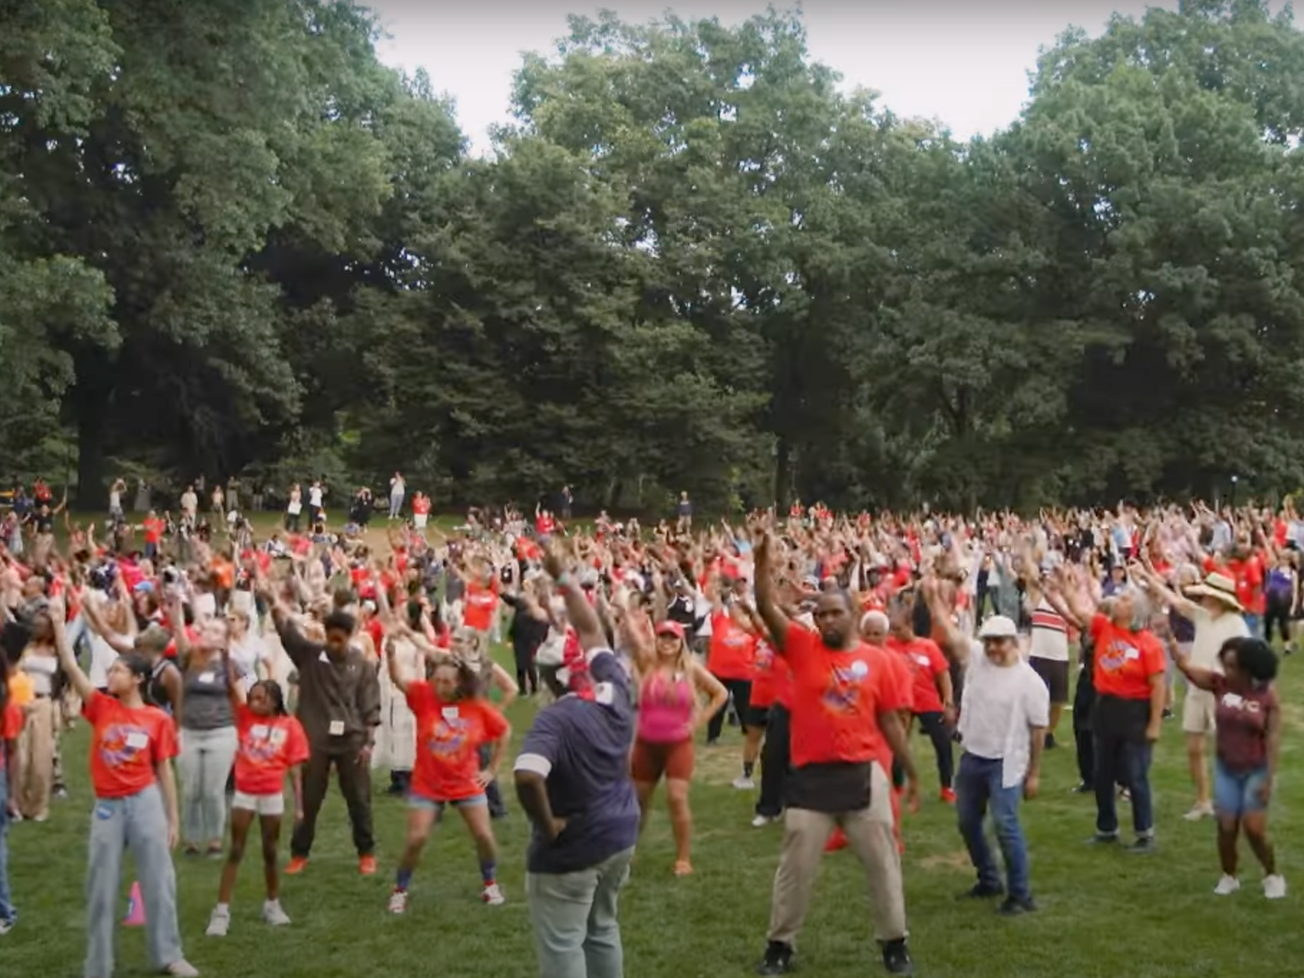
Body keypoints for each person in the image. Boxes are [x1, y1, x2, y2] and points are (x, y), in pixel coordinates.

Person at [750, 533, 918, 977]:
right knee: (795, 870)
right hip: (809, 779)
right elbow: (766, 605)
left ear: (855, 615)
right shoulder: (801, 649)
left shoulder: (878, 661)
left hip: (863, 775)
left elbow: (888, 722)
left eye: (834, 612)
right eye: (820, 613)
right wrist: (762, 561)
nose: (825, 619)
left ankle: (894, 944)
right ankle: (779, 946)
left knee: (884, 865)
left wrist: (910, 768)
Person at [49, 598, 199, 978]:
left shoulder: (155, 719)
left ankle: (169, 954)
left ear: (136, 679)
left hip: (146, 802)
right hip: (108, 807)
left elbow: (164, 770)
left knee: (159, 881)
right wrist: (58, 625)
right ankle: (98, 965)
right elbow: (69, 665)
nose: (109, 674)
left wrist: (173, 818)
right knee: (100, 887)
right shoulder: (100, 706)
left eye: (117, 670)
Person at [513, 545, 640, 978]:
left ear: (549, 681)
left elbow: (528, 775)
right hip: (621, 836)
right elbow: (592, 630)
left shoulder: (555, 719)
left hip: (574, 849)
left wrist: (547, 827)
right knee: (603, 928)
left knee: (563, 943)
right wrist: (562, 577)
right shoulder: (616, 690)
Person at [261, 576, 381, 876]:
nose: (335, 644)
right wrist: (273, 599)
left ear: (351, 635)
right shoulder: (310, 656)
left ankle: (366, 852)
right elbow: (286, 630)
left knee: (359, 799)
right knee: (309, 799)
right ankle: (299, 853)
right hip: (314, 740)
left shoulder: (362, 666)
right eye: (331, 638)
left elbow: (370, 705)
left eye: (341, 639)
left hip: (352, 740)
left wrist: (368, 742)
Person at [383, 639, 510, 912]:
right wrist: (391, 656)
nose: (440, 686)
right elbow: (398, 679)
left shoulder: (476, 704)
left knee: (485, 836)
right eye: (437, 679)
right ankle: (399, 890)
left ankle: (490, 884)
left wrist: (491, 770)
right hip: (427, 784)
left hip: (465, 783)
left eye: (447, 681)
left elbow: (504, 732)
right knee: (416, 839)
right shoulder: (422, 694)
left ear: (460, 683)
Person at [938, 613, 1048, 915]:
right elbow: (953, 636)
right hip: (973, 756)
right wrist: (935, 602)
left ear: (1013, 642)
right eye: (988, 642)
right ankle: (988, 879)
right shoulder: (978, 660)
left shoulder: (1030, 682)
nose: (992, 649)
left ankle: (1021, 895)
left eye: (999, 642)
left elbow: (1039, 730)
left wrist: (1034, 773)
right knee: (967, 821)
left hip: (1006, 762)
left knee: (1005, 825)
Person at [1171, 636, 1285, 898]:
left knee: (1254, 830)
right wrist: (1174, 648)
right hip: (1227, 768)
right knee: (1226, 827)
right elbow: (1188, 669)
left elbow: (1273, 740)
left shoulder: (1267, 696)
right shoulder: (1219, 684)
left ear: (1249, 669)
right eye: (1226, 664)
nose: (1228, 670)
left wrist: (1268, 779)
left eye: (1234, 666)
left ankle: (1271, 874)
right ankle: (1229, 876)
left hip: (1256, 769)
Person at [1134, 566, 1248, 820]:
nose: (1202, 597)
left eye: (1207, 594)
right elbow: (1174, 599)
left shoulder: (1236, 624)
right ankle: (1203, 801)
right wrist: (1147, 576)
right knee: (1194, 747)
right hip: (1197, 687)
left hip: (1223, 692)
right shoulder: (1202, 615)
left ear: (1217, 598)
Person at [205, 664, 308, 936]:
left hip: (272, 794)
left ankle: (272, 904)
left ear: (275, 701)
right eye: (252, 698)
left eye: (261, 699)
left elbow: (296, 769)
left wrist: (299, 806)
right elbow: (231, 685)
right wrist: (230, 658)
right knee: (236, 850)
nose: (254, 702)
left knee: (270, 852)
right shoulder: (245, 717)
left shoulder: (290, 727)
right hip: (245, 793)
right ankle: (221, 911)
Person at [629, 619, 727, 875]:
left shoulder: (691, 669)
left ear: (681, 641)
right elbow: (633, 639)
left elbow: (721, 693)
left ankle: (683, 858)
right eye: (663, 637)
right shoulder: (647, 664)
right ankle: (626, 853)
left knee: (677, 797)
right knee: (637, 802)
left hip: (677, 745)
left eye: (673, 637)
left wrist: (697, 723)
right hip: (646, 744)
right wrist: (626, 611)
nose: (667, 642)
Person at [0, 655, 23, 934]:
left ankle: (5, 911)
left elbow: (13, 752)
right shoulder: (9, 704)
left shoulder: (7, 706)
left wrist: (12, 795)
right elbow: (14, 752)